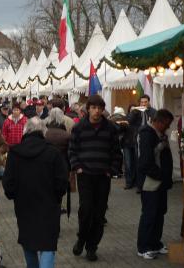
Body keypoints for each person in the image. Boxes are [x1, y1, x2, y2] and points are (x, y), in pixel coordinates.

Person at [3, 117, 68, 268]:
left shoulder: (15, 153)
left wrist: (13, 195)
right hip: (49, 205)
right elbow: (62, 181)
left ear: (25, 131)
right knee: (47, 245)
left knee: (28, 242)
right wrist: (57, 197)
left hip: (24, 205)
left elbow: (8, 183)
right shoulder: (53, 153)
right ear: (43, 132)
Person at [69, 95, 122, 262]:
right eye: (93, 108)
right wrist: (77, 167)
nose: (97, 111)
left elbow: (116, 153)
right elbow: (72, 150)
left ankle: (92, 247)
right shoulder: (79, 128)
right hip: (85, 175)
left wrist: (111, 170)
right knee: (86, 210)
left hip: (102, 176)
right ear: (88, 109)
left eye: (99, 108)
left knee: (99, 213)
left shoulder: (111, 128)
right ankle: (82, 238)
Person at [136, 109, 174, 260]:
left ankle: (155, 243)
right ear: (158, 122)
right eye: (166, 124)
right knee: (150, 214)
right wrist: (161, 176)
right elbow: (145, 162)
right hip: (150, 182)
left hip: (160, 182)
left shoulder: (159, 134)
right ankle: (143, 246)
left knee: (159, 213)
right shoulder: (146, 134)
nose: (168, 127)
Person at [113, 107, 136, 189]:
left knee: (135, 164)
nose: (133, 112)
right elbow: (119, 130)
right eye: (132, 110)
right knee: (128, 164)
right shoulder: (125, 120)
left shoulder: (138, 120)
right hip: (127, 144)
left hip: (135, 144)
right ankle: (129, 182)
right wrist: (120, 124)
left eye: (135, 110)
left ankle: (135, 182)